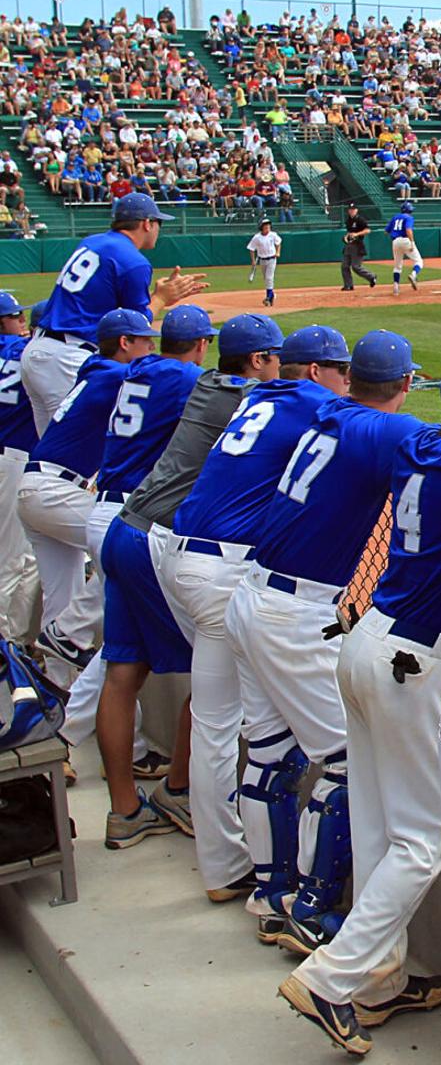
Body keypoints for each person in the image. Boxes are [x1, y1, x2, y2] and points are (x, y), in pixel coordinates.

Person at [279, 350, 441, 1054]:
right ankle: (332, 977)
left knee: (378, 824)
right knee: (428, 837)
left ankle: (376, 980)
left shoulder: (419, 442)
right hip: (415, 661)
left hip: (367, 641)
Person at [224, 330, 422, 956]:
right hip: (295, 611)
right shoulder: (381, 429)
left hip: (249, 596)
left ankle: (270, 891)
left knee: (267, 752)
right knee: (343, 764)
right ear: (406, 384)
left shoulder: (330, 410)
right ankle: (310, 913)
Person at [159, 325, 351, 904]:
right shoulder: (315, 402)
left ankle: (229, 870)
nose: (347, 381)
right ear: (315, 371)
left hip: (181, 557)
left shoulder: (258, 396)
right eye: (340, 369)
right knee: (272, 737)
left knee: (226, 724)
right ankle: (284, 890)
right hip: (227, 572)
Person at [93, 304, 217, 849]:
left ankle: (125, 811)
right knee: (211, 669)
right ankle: (180, 788)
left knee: (122, 674)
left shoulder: (136, 368)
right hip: (151, 532)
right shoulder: (190, 378)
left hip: (115, 517)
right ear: (199, 346)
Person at [18, 309, 158, 684]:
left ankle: (59, 685)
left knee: (60, 596)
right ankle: (71, 630)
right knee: (128, 548)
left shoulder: (98, 370)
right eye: (145, 340)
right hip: (55, 490)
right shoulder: (117, 375)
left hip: (39, 488)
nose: (152, 347)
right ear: (125, 344)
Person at [20, 192, 206, 433]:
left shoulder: (92, 242)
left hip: (37, 350)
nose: (158, 229)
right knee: (79, 452)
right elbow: (135, 326)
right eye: (158, 222)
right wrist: (161, 299)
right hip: (69, 358)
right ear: (147, 223)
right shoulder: (134, 260)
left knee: (50, 451)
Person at [0, 291, 40, 645]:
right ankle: (7, 642)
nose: (22, 323)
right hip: (11, 460)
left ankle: (18, 639)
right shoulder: (22, 352)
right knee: (13, 558)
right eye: (17, 317)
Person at [385, 201, 423, 296]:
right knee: (419, 261)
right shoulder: (409, 217)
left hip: (395, 241)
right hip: (406, 240)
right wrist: (412, 242)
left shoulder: (395, 217)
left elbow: (386, 231)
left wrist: (395, 233)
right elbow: (408, 229)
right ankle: (413, 275)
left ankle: (396, 287)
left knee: (397, 266)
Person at [341, 201, 377, 291]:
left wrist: (357, 234)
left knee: (355, 267)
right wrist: (347, 236)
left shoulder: (360, 219)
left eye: (353, 209)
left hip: (358, 245)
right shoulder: (348, 220)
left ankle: (371, 276)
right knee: (344, 266)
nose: (351, 211)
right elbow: (350, 232)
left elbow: (368, 230)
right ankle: (348, 285)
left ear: (356, 210)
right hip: (349, 245)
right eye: (350, 209)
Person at [247, 218, 283, 308]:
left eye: (268, 225)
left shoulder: (273, 235)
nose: (267, 227)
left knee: (269, 278)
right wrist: (253, 261)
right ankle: (272, 295)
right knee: (266, 279)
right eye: (265, 225)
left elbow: (278, 242)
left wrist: (278, 252)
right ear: (261, 227)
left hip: (272, 259)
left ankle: (268, 298)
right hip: (262, 260)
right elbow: (251, 249)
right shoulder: (257, 237)